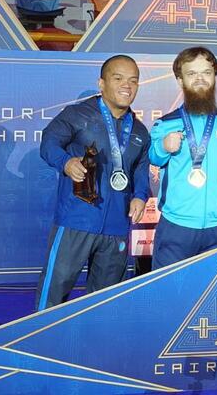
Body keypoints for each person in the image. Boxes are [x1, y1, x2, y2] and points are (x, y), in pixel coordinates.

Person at [36, 55, 150, 310]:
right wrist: (66, 162)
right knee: (54, 292)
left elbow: (141, 168)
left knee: (104, 302)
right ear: (101, 83)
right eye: (118, 78)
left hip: (116, 226)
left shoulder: (140, 131)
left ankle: (97, 336)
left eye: (133, 81)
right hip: (77, 219)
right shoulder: (77, 114)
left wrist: (140, 195)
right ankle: (41, 333)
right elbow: (49, 142)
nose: (127, 86)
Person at [149, 47, 217, 269]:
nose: (200, 79)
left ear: (215, 77)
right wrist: (164, 146)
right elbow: (153, 158)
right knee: (170, 287)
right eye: (192, 74)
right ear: (180, 80)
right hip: (176, 225)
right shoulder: (165, 124)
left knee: (216, 288)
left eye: (206, 73)